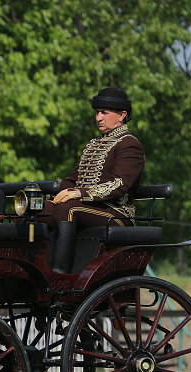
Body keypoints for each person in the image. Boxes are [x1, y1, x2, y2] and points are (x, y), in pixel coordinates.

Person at [43, 87, 145, 273]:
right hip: (89, 209)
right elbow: (72, 181)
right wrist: (41, 194)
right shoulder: (93, 144)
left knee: (69, 208)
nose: (98, 118)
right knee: (35, 209)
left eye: (104, 113)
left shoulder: (129, 144)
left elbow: (119, 184)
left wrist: (79, 193)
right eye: (97, 112)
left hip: (116, 213)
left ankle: (60, 277)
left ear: (122, 115)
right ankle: (34, 271)